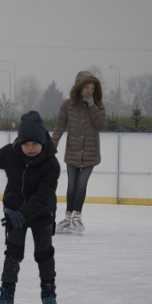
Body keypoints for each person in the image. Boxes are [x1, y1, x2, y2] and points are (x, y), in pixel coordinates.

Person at [0, 111, 60, 304]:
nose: (30, 148)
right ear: (19, 142)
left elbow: (43, 197)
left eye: (34, 143)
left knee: (44, 253)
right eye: (26, 143)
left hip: (41, 214)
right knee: (13, 253)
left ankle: (48, 292)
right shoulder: (10, 154)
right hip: (13, 210)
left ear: (43, 142)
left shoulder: (51, 164)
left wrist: (21, 216)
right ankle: (6, 295)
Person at [51, 70, 107, 235]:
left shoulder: (98, 106)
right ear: (79, 87)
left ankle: (77, 217)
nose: (90, 91)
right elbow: (59, 127)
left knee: (81, 185)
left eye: (92, 87)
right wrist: (51, 146)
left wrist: (92, 106)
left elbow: (102, 125)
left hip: (90, 154)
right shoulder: (67, 105)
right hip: (72, 153)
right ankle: (67, 218)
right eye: (86, 87)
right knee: (71, 185)